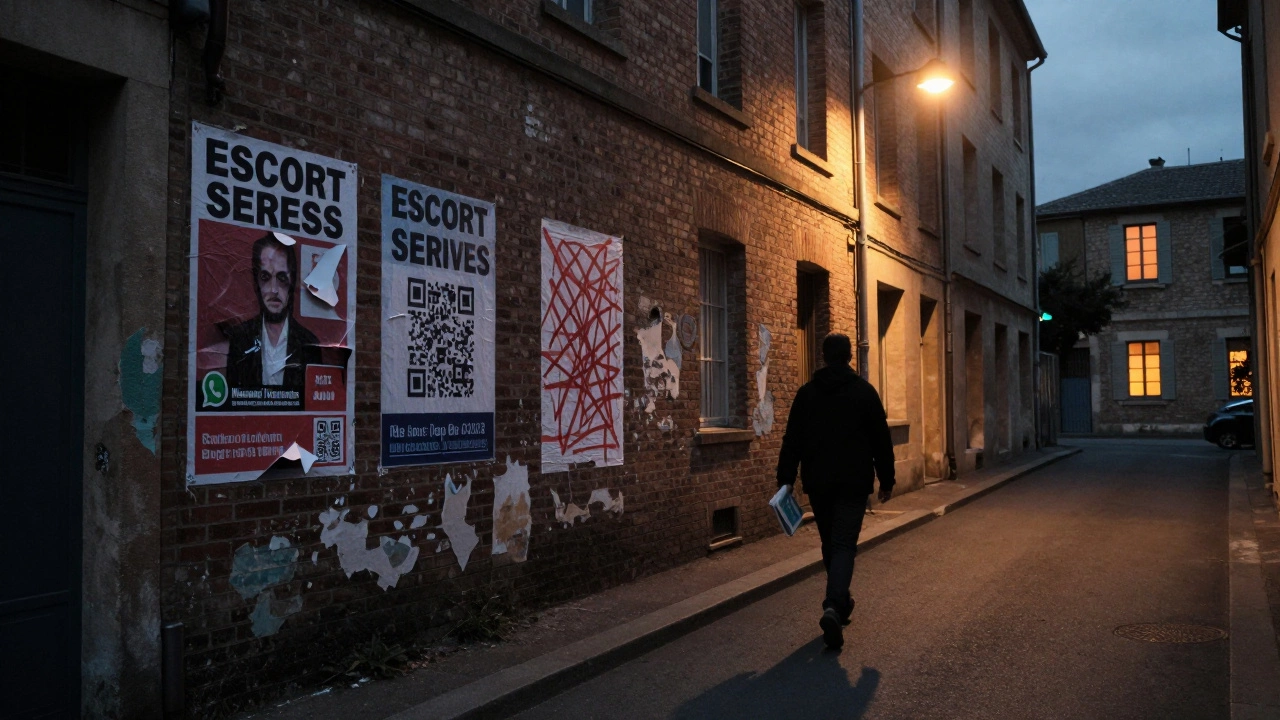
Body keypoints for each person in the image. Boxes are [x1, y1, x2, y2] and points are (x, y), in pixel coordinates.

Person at [777, 332, 895, 650]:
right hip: (854, 484)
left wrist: (785, 479)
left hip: (819, 483)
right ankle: (833, 604)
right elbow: (881, 440)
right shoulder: (864, 393)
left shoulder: (807, 395)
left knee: (831, 543)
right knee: (843, 545)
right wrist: (887, 480)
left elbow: (792, 440)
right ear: (849, 357)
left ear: (824, 357)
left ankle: (839, 601)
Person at [223, 232, 321, 395]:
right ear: (256, 283)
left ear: (292, 283)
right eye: (265, 277)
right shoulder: (240, 339)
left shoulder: (309, 345)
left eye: (282, 278)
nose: (274, 290)